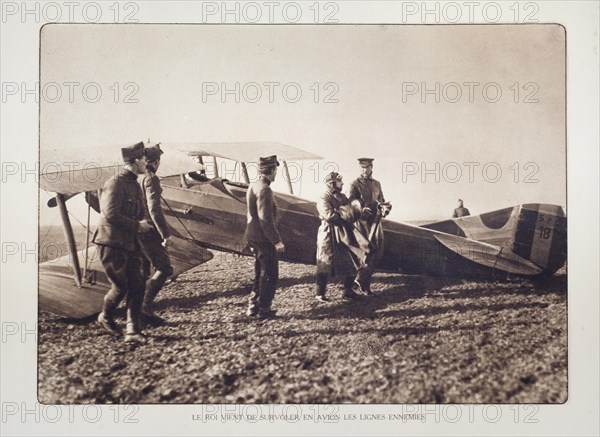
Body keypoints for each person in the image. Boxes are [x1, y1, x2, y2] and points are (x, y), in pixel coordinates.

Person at [93, 142, 152, 343]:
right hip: (111, 243)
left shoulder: (134, 183)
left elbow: (139, 211)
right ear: (136, 160)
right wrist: (137, 225)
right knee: (121, 287)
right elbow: (110, 214)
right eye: (144, 159)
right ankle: (105, 317)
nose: (147, 162)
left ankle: (132, 331)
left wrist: (144, 225)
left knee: (138, 284)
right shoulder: (115, 183)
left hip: (129, 242)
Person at [315, 172, 369, 302]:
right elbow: (330, 216)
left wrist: (358, 212)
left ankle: (347, 291)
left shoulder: (343, 196)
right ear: (332, 183)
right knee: (325, 262)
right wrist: (345, 213)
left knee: (353, 258)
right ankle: (320, 293)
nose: (342, 183)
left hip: (345, 232)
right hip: (328, 233)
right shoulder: (323, 198)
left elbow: (351, 212)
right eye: (339, 182)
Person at [243, 155, 285, 318]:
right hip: (263, 238)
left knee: (260, 271)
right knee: (270, 274)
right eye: (275, 170)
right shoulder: (265, 189)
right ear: (272, 170)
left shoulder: (254, 185)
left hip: (253, 236)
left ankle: (254, 305)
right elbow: (265, 219)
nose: (276, 174)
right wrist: (276, 241)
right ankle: (264, 309)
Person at [138, 144, 174, 325]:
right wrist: (165, 234)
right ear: (156, 161)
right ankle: (143, 307)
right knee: (164, 268)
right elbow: (154, 209)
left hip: (135, 230)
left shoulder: (135, 178)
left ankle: (135, 314)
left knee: (143, 271)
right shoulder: (151, 178)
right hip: (149, 232)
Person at [348, 158, 391, 296]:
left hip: (376, 222)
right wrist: (360, 210)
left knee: (377, 253)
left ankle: (364, 285)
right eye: (361, 168)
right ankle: (358, 282)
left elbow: (382, 201)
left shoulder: (377, 184)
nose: (364, 170)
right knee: (365, 253)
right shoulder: (355, 183)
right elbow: (351, 201)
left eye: (366, 168)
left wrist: (384, 208)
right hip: (361, 223)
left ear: (371, 167)